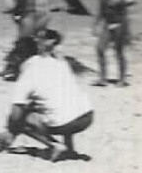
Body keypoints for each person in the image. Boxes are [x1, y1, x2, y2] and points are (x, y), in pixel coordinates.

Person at [7, 27, 95, 161]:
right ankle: (69, 147)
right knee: (58, 101)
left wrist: (12, 129)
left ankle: (54, 145)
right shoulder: (60, 62)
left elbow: (16, 112)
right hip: (87, 116)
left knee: (22, 118)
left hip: (67, 122)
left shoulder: (28, 73)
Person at [94, 0, 134, 87]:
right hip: (107, 25)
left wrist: (127, 32)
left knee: (119, 52)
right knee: (99, 49)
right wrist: (96, 25)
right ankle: (103, 78)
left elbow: (126, 11)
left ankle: (122, 79)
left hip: (120, 25)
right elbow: (101, 11)